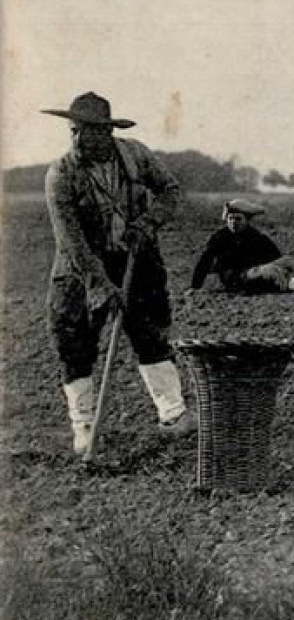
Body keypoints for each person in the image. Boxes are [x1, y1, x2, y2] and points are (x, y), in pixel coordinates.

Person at [41, 92, 195, 455]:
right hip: (80, 268)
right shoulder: (61, 174)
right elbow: (72, 242)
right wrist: (102, 285)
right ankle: (84, 427)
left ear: (106, 132)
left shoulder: (136, 155)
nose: (78, 138)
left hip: (136, 260)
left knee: (150, 333)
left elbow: (170, 190)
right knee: (73, 340)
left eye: (87, 131)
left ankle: (173, 415)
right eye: (74, 131)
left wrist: (149, 223)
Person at [190, 199, 294, 295]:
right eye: (230, 218)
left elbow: (275, 256)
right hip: (236, 280)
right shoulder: (219, 237)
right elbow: (205, 261)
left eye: (238, 219)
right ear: (226, 219)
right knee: (271, 270)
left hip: (255, 274)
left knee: (287, 260)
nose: (234, 222)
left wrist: (285, 265)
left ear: (247, 220)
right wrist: (195, 287)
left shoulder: (255, 235)